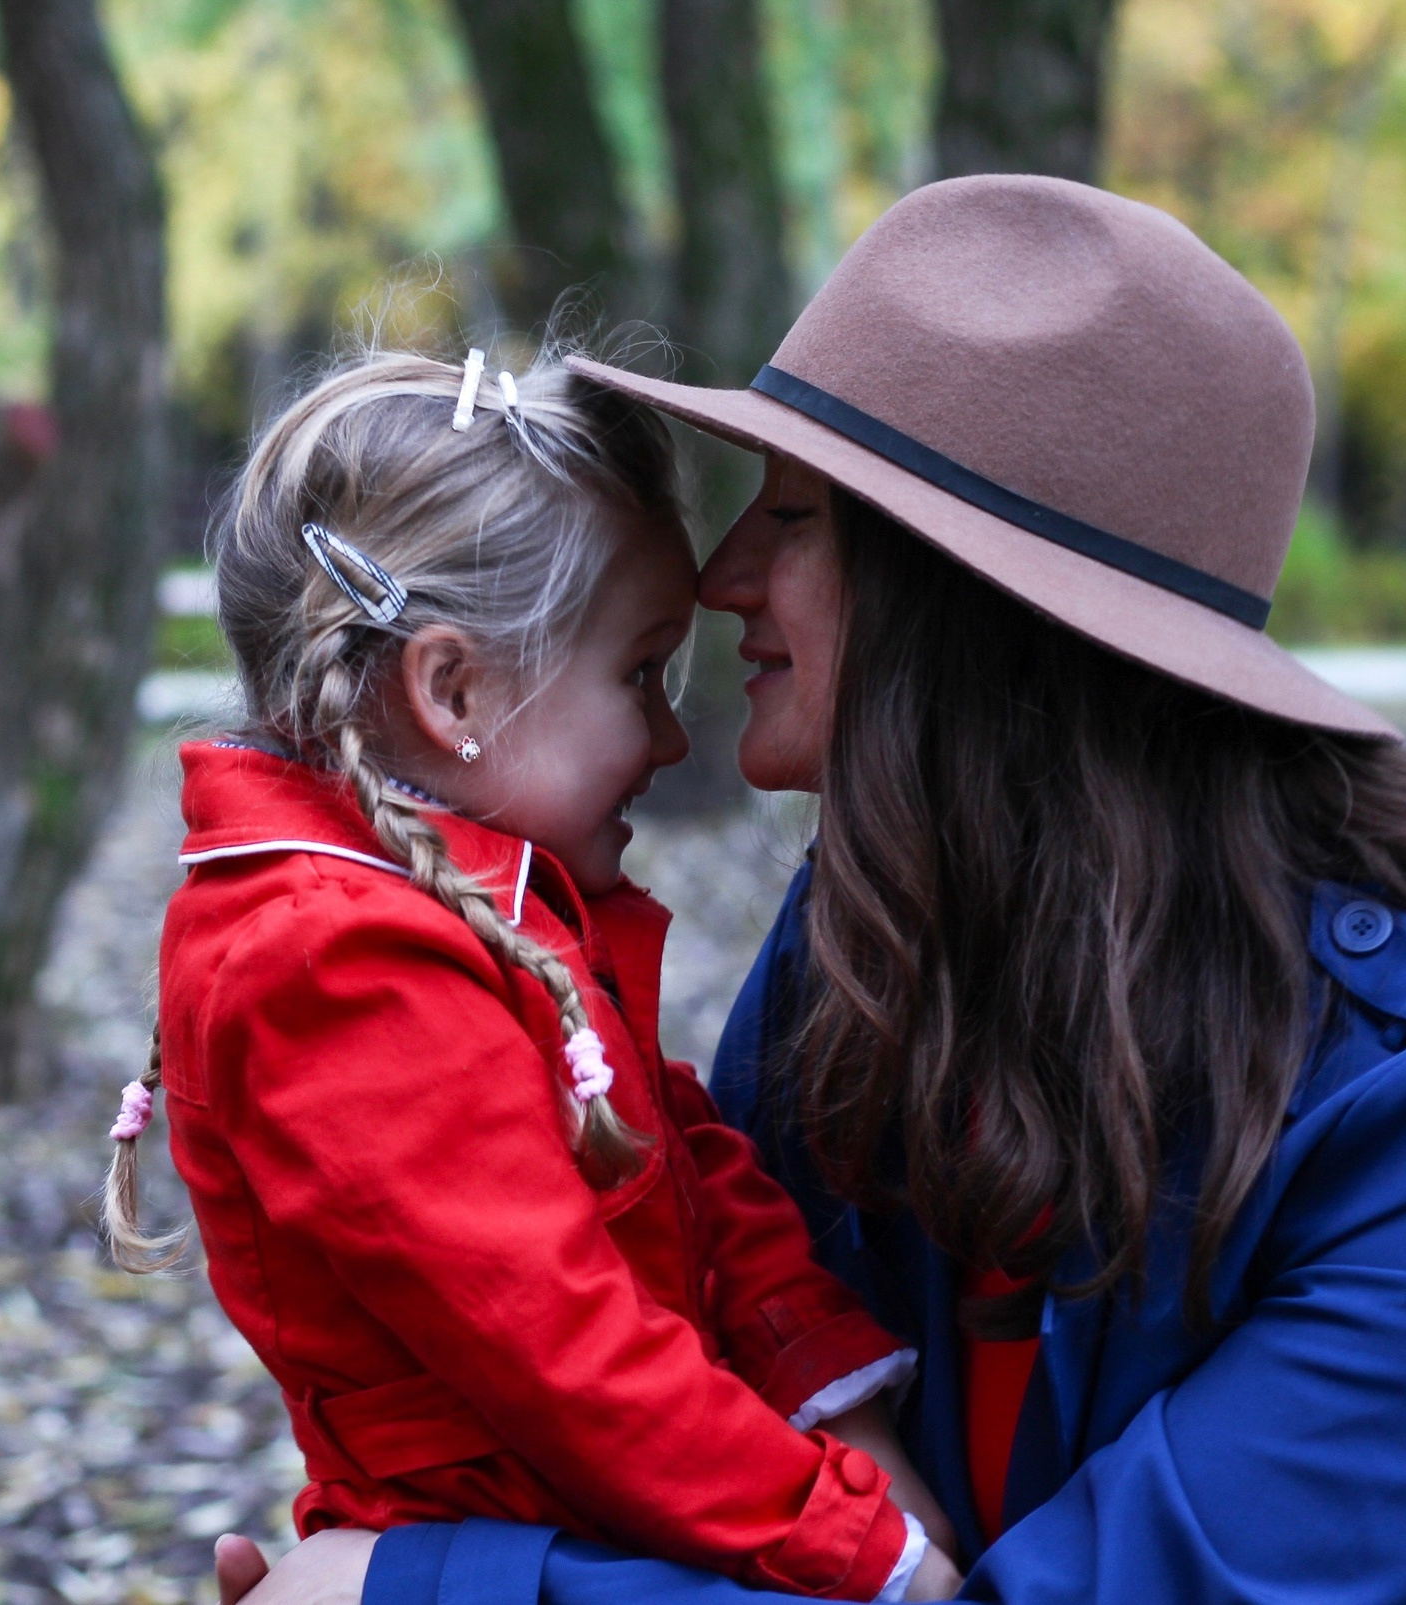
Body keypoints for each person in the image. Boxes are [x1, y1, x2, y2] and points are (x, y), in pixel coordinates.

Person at [211, 176, 1406, 1605]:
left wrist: (429, 1591)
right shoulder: (871, 953)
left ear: (973, 612)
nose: (728, 571)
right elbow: (747, 1474)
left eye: (794, 515)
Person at [104, 349, 963, 1599]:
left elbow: (681, 1163)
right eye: (640, 674)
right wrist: (864, 1548)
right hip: (521, 1542)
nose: (673, 739)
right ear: (452, 688)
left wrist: (838, 1404)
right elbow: (555, 1346)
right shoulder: (334, 964)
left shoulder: (471, 915)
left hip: (633, 1520)